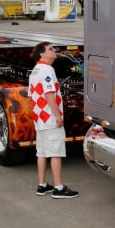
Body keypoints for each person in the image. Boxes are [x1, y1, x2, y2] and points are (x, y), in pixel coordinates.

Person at [29, 42, 78, 199]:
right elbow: (49, 94)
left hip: (40, 119)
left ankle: (42, 185)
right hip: (50, 118)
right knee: (56, 152)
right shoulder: (47, 69)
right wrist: (57, 115)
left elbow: (33, 95)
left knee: (42, 153)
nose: (54, 51)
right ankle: (58, 188)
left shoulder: (35, 70)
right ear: (42, 54)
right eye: (50, 49)